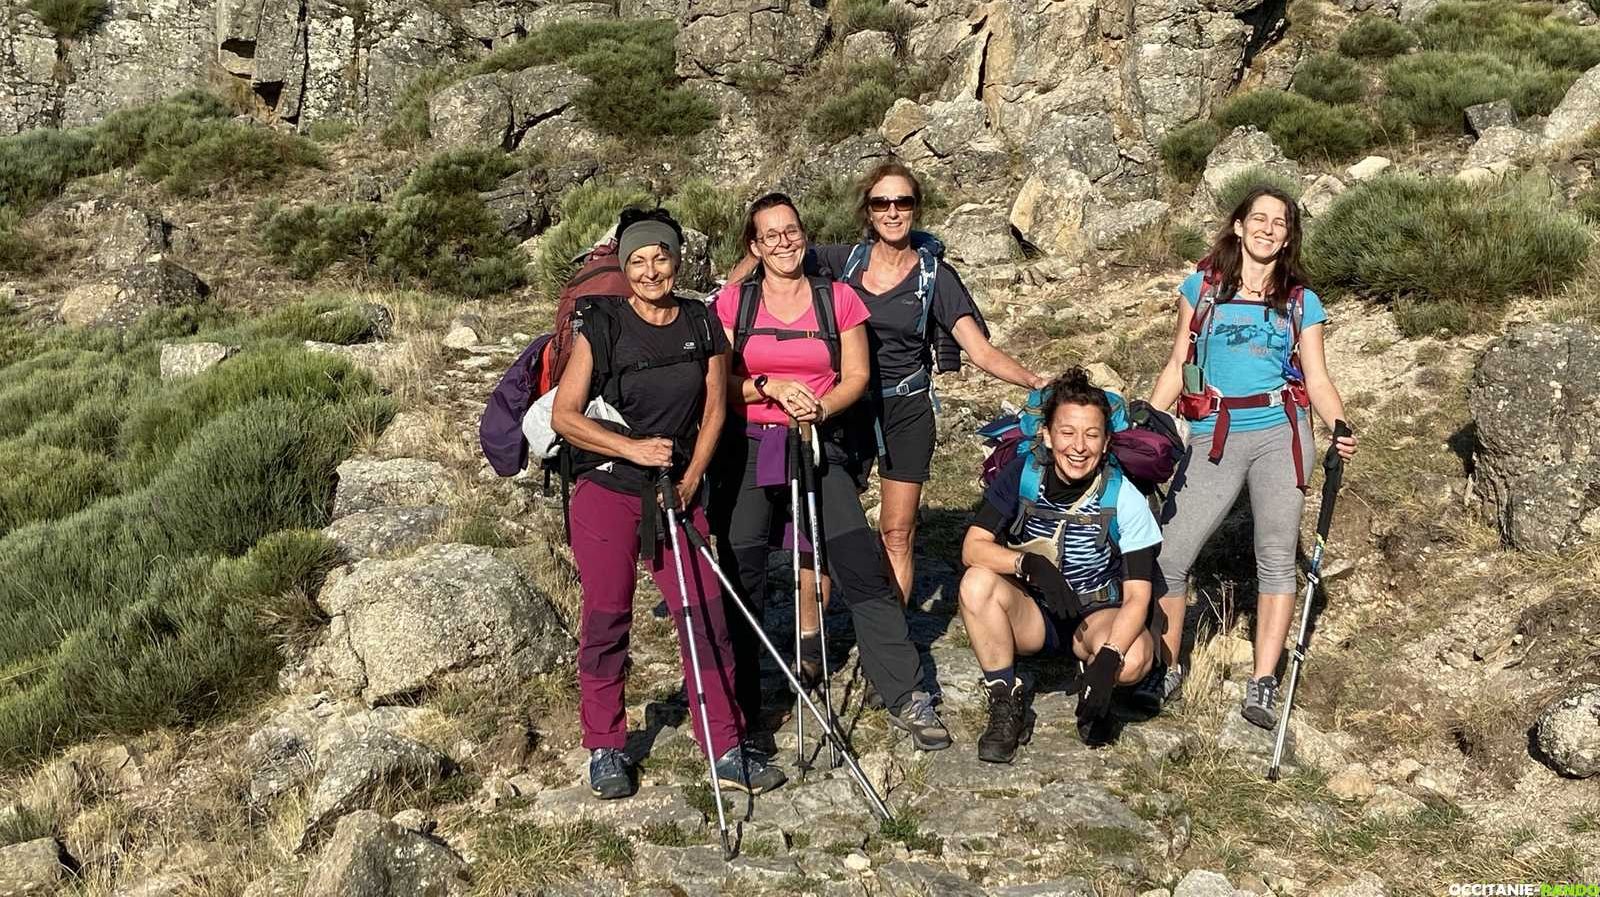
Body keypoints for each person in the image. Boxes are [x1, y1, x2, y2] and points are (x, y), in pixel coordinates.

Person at [552, 209, 786, 800]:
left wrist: (692, 477)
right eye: (638, 260)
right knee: (608, 618)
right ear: (624, 267)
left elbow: (713, 408)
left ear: (677, 261)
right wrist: (631, 447)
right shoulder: (601, 327)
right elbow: (566, 417)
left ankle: (725, 744)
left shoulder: (702, 323)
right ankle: (605, 746)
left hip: (678, 491)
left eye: (660, 257)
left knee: (705, 614)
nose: (651, 269)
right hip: (607, 491)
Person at [710, 192, 951, 751]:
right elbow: (719, 384)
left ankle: (906, 692)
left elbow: (857, 376)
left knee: (859, 564)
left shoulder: (838, 298)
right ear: (754, 246)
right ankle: (739, 709)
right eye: (770, 235)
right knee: (744, 571)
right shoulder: (733, 305)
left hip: (818, 443)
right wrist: (765, 386)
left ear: (805, 235)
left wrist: (821, 407)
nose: (784, 243)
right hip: (752, 446)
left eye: (791, 231)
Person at [1137, 185, 1358, 728]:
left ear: (1288, 236)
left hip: (1279, 434)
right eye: (1257, 218)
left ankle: (1262, 682)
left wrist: (1339, 425)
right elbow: (1176, 363)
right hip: (1212, 430)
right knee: (1170, 553)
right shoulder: (1202, 289)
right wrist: (1144, 421)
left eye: (1279, 222)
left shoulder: (1303, 301)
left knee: (1278, 556)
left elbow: (1318, 377)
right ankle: (1167, 666)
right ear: (1238, 226)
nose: (1267, 228)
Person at [957, 368, 1161, 758]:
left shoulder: (1124, 496)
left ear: (1106, 443)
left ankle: (1092, 678)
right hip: (1034, 613)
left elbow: (1138, 596)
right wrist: (1027, 565)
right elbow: (973, 548)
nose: (1078, 447)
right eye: (1067, 433)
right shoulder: (1023, 474)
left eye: (1092, 435)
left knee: (1134, 661)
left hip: (1096, 615)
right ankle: (1004, 697)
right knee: (976, 583)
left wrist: (1109, 659)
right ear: (1048, 436)